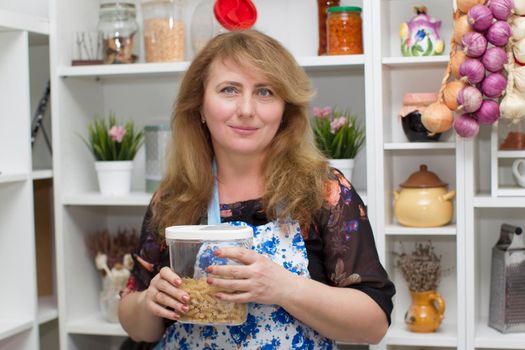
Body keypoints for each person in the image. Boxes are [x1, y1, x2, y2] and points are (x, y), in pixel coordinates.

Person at [118, 29, 395, 349]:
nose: (247, 109)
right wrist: (149, 303)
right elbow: (136, 322)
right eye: (229, 90)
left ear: (285, 109)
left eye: (264, 92)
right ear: (199, 105)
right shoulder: (174, 197)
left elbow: (374, 324)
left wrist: (283, 288)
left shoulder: (323, 191)